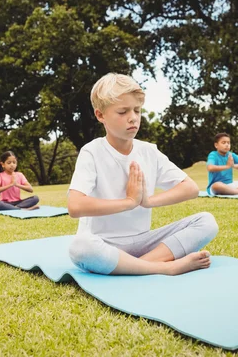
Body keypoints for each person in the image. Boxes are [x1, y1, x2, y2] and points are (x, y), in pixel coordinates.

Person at [67, 73, 218, 276]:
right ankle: (166, 267)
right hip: (104, 243)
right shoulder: (92, 152)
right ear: (100, 115)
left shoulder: (149, 151)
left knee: (207, 222)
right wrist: (129, 202)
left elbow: (190, 188)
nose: (133, 118)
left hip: (143, 242)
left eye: (137, 110)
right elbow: (75, 206)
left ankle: (137, 266)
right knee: (81, 247)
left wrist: (147, 201)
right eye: (123, 112)